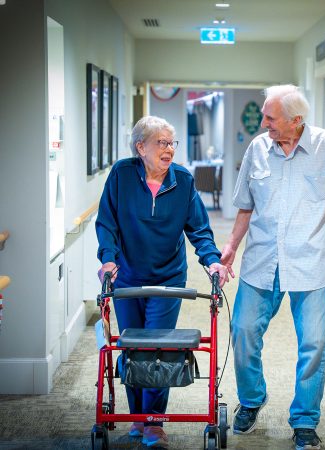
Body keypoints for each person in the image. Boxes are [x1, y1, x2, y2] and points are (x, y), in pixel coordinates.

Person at [220, 85, 325, 450]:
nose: (264, 122)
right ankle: (252, 398)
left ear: (296, 120)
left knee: (314, 345)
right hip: (262, 261)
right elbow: (245, 206)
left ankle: (304, 421)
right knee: (243, 332)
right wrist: (231, 247)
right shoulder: (258, 149)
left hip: (312, 262)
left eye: (271, 117)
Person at [96, 115, 228, 449]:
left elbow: (198, 228)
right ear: (141, 147)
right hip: (126, 275)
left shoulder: (182, 180)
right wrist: (108, 258)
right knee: (130, 346)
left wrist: (212, 261)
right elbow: (107, 222)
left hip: (168, 277)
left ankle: (154, 422)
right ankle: (137, 417)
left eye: (172, 143)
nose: (169, 150)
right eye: (162, 143)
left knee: (157, 346)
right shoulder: (121, 175)